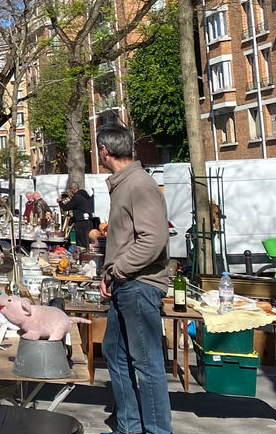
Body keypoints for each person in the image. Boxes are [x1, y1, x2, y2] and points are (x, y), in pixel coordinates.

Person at [97, 124, 171, 434]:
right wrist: (109, 274)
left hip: (140, 285)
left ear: (104, 151)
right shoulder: (124, 184)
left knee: (147, 364)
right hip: (125, 284)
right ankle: (129, 428)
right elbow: (127, 240)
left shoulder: (138, 184)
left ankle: (156, 430)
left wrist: (118, 270)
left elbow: (153, 239)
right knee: (114, 352)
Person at [59, 181, 96, 245]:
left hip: (81, 222)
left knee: (81, 241)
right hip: (89, 221)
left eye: (70, 190)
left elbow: (66, 207)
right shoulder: (86, 196)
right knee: (87, 241)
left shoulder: (77, 197)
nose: (70, 192)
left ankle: (82, 251)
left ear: (73, 189)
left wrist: (60, 202)